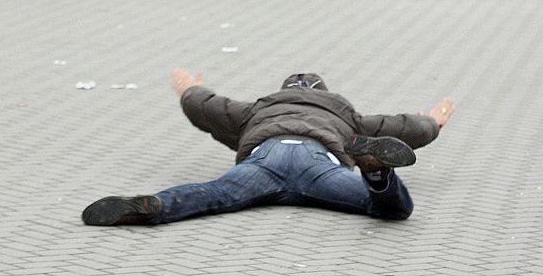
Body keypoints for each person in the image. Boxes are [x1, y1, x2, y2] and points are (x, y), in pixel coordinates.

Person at [82, 70, 454, 227]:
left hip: (266, 154)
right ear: (323, 93)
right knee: (392, 210)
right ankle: (376, 171)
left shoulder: (258, 109)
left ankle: (156, 207)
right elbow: (402, 128)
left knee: (214, 193)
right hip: (318, 158)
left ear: (284, 90)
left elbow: (207, 106)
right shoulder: (344, 113)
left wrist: (188, 86)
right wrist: (432, 123)